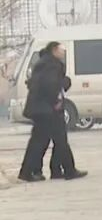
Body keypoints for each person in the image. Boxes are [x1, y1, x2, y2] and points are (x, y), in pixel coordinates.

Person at [18, 42, 86, 182]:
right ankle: (67, 170)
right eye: (61, 50)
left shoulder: (44, 63)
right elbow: (50, 85)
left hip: (42, 109)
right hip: (48, 109)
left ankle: (51, 170)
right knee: (55, 140)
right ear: (54, 50)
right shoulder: (51, 65)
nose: (63, 52)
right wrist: (57, 99)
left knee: (44, 141)